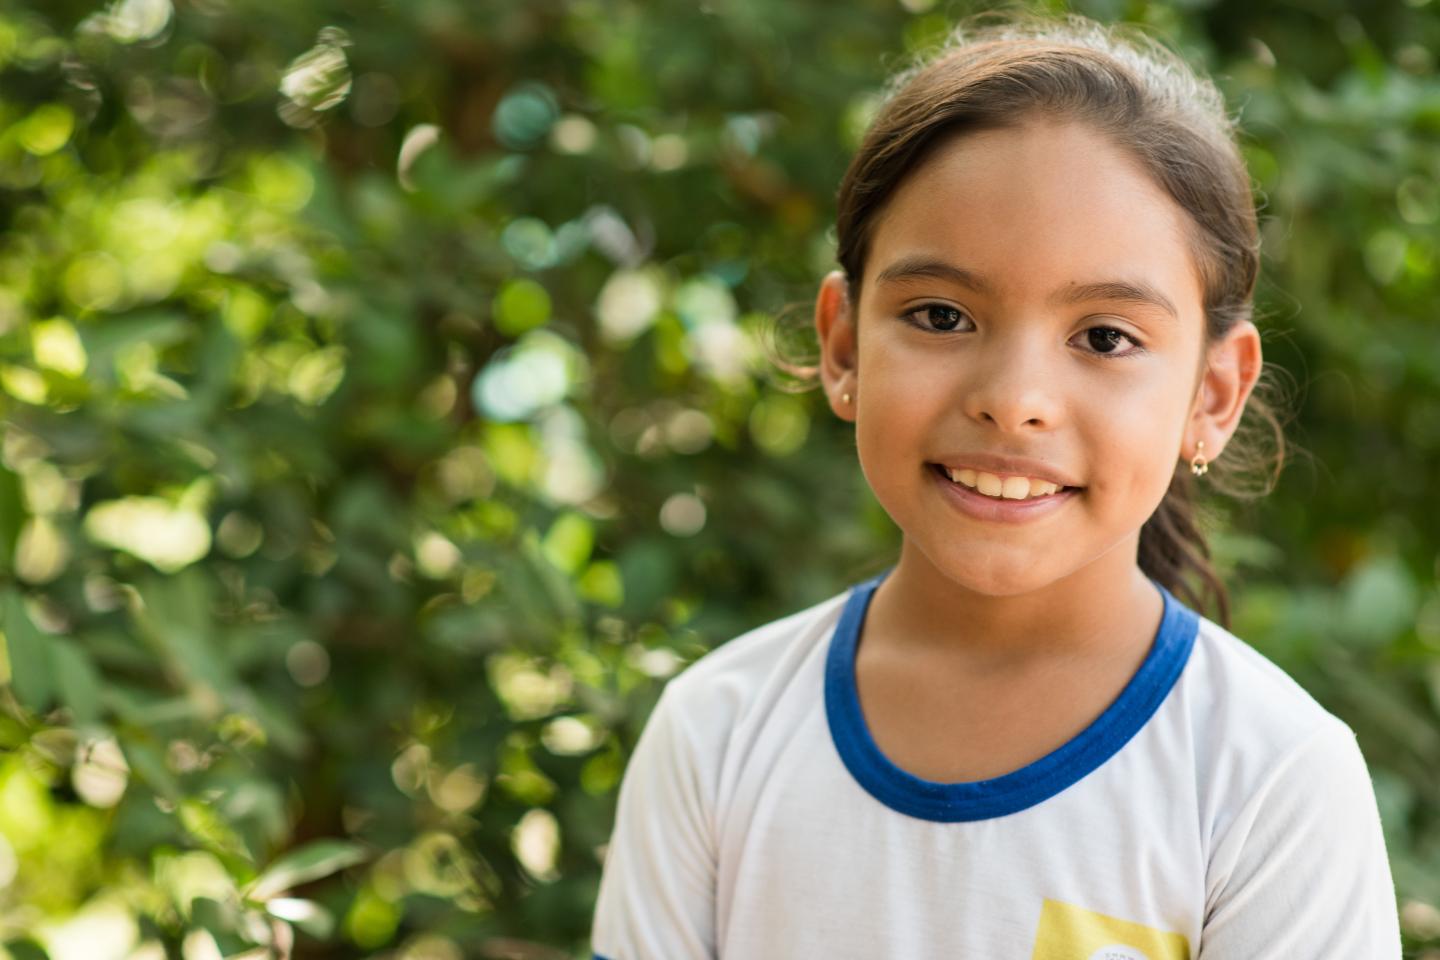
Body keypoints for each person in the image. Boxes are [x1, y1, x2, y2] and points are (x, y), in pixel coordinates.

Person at [588, 11, 1402, 959]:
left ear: (1211, 394)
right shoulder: (718, 735)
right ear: (844, 344)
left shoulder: (1268, 781)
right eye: (941, 315)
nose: (1014, 403)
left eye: (1105, 337)